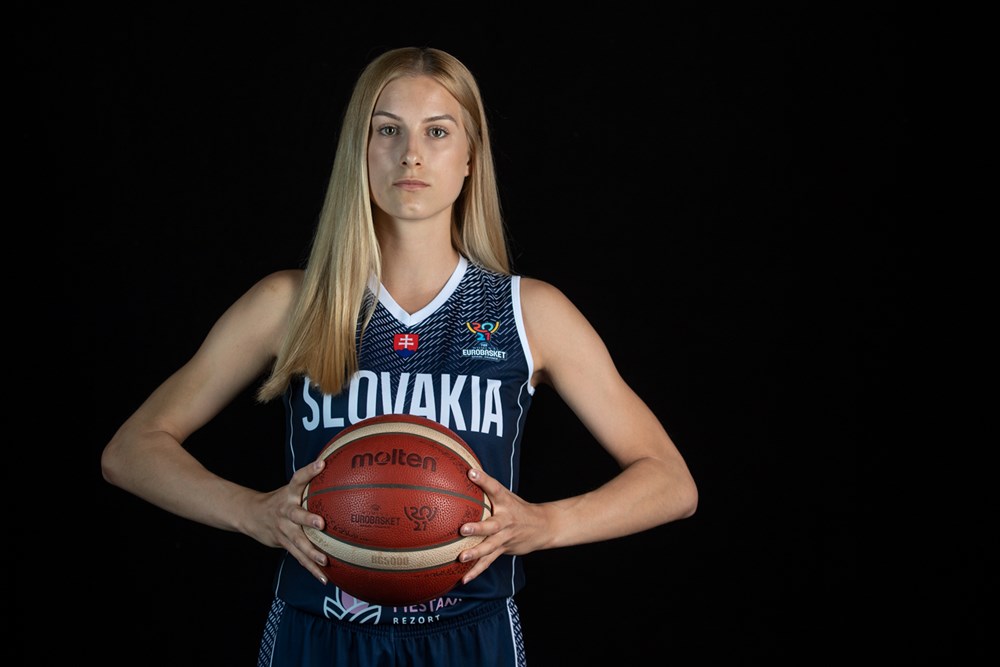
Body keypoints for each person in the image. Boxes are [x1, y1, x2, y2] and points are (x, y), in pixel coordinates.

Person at [101, 46, 698, 667]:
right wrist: (249, 511)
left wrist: (546, 524)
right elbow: (132, 449)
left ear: (471, 157)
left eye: (437, 132)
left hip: (472, 634)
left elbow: (669, 481)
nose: (411, 153)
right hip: (319, 631)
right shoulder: (291, 303)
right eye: (386, 129)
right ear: (358, 151)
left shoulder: (530, 312)